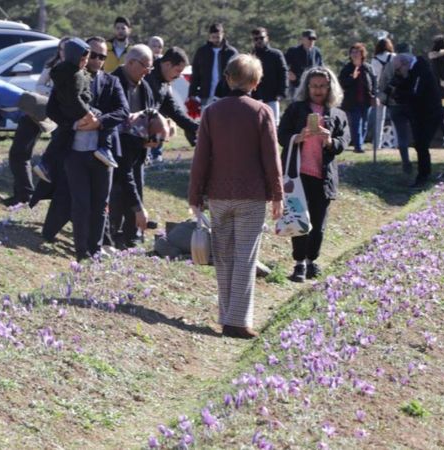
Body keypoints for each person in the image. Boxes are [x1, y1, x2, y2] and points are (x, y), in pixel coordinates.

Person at [188, 54, 283, 339]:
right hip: (252, 195)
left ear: (227, 78)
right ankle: (237, 322)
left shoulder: (212, 112)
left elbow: (201, 156)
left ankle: (226, 314)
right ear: (256, 82)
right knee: (246, 256)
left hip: (218, 194)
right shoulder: (262, 111)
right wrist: (277, 194)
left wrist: (195, 194)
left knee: (225, 257)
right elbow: (271, 157)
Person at [278, 67, 349, 283]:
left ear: (330, 88)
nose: (318, 90)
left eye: (322, 86)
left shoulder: (338, 114)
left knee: (318, 224)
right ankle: (298, 263)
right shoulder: (296, 110)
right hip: (298, 175)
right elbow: (282, 136)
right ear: (307, 87)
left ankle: (312, 262)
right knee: (300, 220)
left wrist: (329, 141)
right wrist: (298, 137)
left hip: (323, 177)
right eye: (314, 86)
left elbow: (343, 143)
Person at [64, 36, 129, 260]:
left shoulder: (112, 82)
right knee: (81, 203)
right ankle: (81, 250)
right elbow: (54, 110)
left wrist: (99, 122)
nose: (98, 60)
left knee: (101, 204)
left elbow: (123, 111)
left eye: (103, 56)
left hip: (103, 153)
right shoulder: (69, 78)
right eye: (94, 54)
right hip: (74, 150)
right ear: (84, 54)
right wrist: (75, 123)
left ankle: (96, 249)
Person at [33, 38, 118, 184]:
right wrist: (87, 113)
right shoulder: (75, 75)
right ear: (75, 57)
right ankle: (105, 148)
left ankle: (45, 163)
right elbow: (74, 98)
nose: (87, 61)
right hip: (78, 110)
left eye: (102, 57)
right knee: (100, 116)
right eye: (87, 58)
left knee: (61, 137)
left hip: (70, 114)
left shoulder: (64, 70)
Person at [0, 37, 69, 207]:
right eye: (61, 49)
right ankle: (22, 194)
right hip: (41, 109)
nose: (63, 53)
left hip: (56, 116)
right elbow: (39, 86)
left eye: (67, 50)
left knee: (33, 155)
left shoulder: (76, 71)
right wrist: (53, 92)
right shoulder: (53, 65)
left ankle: (27, 195)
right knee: (20, 152)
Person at [109, 45, 158, 248]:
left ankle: (133, 233)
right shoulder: (112, 82)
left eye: (150, 68)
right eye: (145, 66)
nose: (147, 71)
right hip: (117, 146)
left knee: (136, 186)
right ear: (130, 63)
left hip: (138, 148)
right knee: (119, 191)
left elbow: (152, 112)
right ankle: (113, 233)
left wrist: (153, 135)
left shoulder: (144, 85)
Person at [389, 52, 442, 187]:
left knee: (422, 144)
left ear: (405, 64)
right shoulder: (413, 70)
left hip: (429, 114)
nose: (398, 72)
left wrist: (398, 93)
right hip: (418, 114)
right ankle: (423, 174)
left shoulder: (421, 70)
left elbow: (415, 93)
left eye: (398, 69)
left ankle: (424, 176)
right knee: (419, 144)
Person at [144, 46, 200, 162]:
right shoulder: (146, 75)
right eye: (178, 70)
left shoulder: (163, 82)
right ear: (168, 64)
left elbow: (174, 111)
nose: (179, 76)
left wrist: (197, 128)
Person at [378, 43, 412, 173]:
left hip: (394, 104)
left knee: (401, 135)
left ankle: (406, 161)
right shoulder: (413, 63)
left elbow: (382, 85)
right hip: (411, 103)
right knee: (417, 135)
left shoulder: (390, 64)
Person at [188, 23, 238, 108]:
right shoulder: (201, 52)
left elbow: (237, 74)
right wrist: (192, 93)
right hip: (206, 95)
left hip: (226, 95)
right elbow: (195, 74)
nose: (216, 40)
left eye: (218, 37)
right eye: (213, 37)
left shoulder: (232, 53)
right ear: (209, 36)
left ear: (223, 35)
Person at [338, 43, 377, 153]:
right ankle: (358, 146)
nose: (354, 54)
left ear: (362, 54)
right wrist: (352, 77)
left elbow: (374, 83)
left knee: (364, 125)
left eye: (357, 52)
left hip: (366, 101)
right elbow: (341, 83)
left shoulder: (368, 68)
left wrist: (374, 95)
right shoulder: (347, 68)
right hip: (352, 101)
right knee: (356, 124)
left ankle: (360, 144)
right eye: (352, 52)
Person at [250, 27, 288, 127]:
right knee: (256, 125)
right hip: (255, 97)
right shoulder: (251, 56)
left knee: (273, 124)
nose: (259, 41)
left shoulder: (276, 54)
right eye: (256, 39)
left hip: (272, 96)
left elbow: (283, 73)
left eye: (261, 38)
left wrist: (282, 93)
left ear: (267, 38)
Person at [369, 38, 394, 152]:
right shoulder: (394, 57)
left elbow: (374, 76)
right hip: (393, 90)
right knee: (395, 118)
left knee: (379, 118)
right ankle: (398, 143)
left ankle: (377, 144)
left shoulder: (375, 60)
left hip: (380, 90)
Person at [285, 29, 323, 98]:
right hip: (296, 85)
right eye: (309, 38)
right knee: (296, 105)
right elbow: (284, 65)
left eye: (314, 39)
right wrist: (289, 73)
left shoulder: (317, 52)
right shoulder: (293, 51)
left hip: (312, 86)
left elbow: (321, 67)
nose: (311, 41)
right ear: (303, 39)